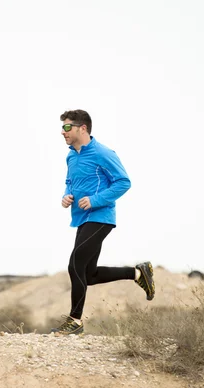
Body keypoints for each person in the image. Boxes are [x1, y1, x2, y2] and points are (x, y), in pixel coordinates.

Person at [51, 109, 155, 335]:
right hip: (81, 218)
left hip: (101, 217)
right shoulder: (71, 155)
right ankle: (138, 273)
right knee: (89, 275)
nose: (62, 132)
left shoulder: (102, 153)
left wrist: (96, 200)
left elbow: (123, 182)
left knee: (75, 263)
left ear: (82, 128)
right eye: (62, 128)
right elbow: (70, 181)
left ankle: (74, 321)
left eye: (67, 127)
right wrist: (67, 195)